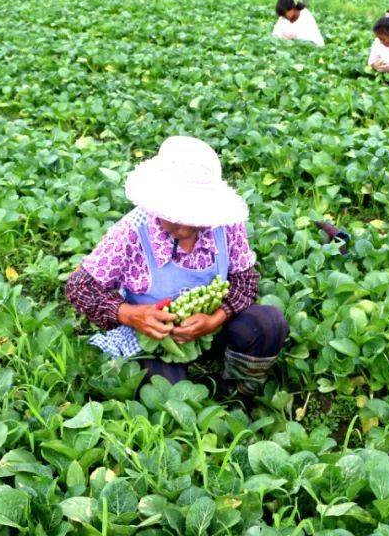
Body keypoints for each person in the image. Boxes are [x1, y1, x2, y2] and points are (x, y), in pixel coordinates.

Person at [66, 136, 288, 395]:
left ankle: (238, 391)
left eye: (193, 217)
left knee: (268, 324)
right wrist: (132, 315)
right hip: (155, 339)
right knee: (168, 393)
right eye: (173, 215)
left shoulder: (223, 223)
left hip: (209, 330)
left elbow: (245, 280)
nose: (182, 227)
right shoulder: (132, 231)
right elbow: (79, 287)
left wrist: (214, 319)